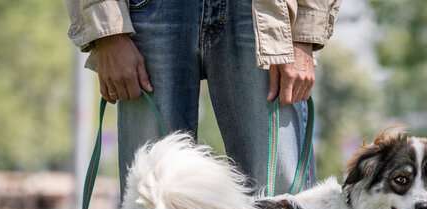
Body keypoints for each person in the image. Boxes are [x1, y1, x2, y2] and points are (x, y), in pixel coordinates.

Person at [66, 0, 341, 195]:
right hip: (148, 10)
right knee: (152, 199)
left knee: (283, 206)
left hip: (264, 11)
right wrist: (107, 31)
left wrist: (304, 31)